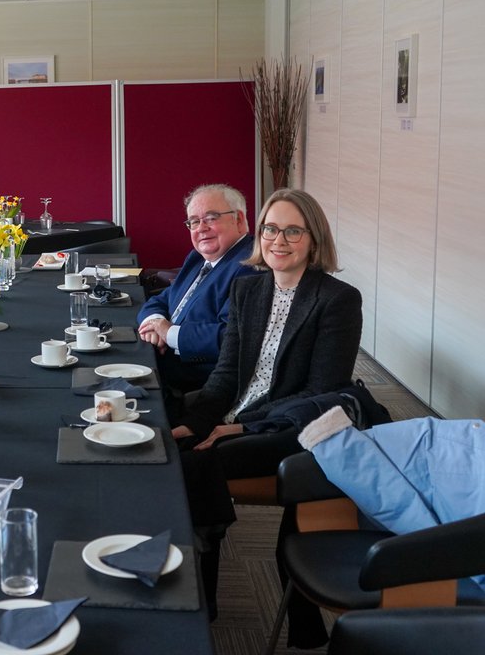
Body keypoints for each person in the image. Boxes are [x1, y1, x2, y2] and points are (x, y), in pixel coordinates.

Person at [171, 188, 363, 645]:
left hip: (295, 428)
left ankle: (203, 600)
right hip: (242, 414)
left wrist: (240, 427)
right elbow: (223, 379)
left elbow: (320, 393)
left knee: (197, 462)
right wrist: (194, 421)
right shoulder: (247, 288)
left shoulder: (337, 299)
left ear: (313, 240)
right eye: (271, 229)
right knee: (170, 442)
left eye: (293, 230)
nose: (279, 240)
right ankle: (196, 577)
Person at [137, 184, 256, 414]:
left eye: (211, 218)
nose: (201, 228)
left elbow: (229, 338)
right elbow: (161, 300)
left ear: (239, 220)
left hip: (191, 384)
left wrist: (169, 334)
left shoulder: (247, 269)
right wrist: (155, 323)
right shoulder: (199, 258)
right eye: (193, 221)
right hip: (160, 360)